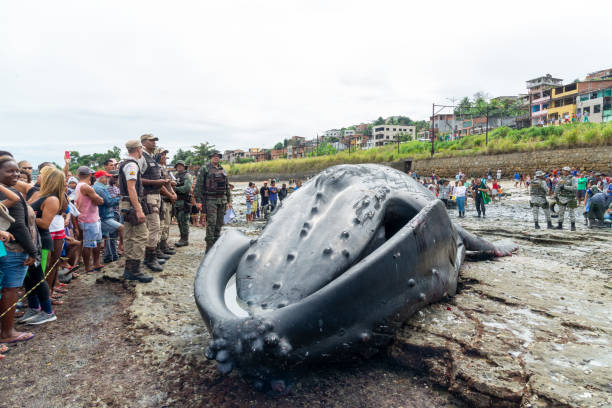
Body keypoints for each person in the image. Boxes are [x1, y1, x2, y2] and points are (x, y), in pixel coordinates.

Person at [0, 154, 36, 343]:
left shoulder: (8, 190)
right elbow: (19, 227)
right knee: (10, 290)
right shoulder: (5, 193)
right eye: (10, 171)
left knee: (8, 290)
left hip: (11, 248)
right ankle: (7, 332)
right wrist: (33, 251)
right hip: (13, 250)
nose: (16, 174)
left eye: (17, 170)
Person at [118, 140, 152, 282]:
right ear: (139, 150)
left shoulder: (125, 163)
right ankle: (135, 269)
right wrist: (139, 210)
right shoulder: (132, 165)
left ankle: (129, 268)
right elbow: (132, 188)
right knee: (141, 235)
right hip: (132, 203)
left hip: (126, 203)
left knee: (130, 235)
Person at [139, 134, 168, 272]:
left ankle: (152, 255)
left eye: (155, 140)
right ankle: (150, 258)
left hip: (156, 194)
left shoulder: (151, 157)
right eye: (151, 140)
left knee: (156, 227)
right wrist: (157, 182)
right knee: (154, 226)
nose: (154, 143)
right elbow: (137, 179)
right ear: (143, 142)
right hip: (148, 195)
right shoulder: (142, 157)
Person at [194, 150, 231, 253]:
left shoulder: (222, 169)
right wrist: (198, 200)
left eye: (218, 156)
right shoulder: (205, 169)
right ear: (211, 157)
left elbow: (227, 186)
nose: (216, 158)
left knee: (219, 223)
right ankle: (209, 247)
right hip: (210, 200)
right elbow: (199, 185)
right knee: (211, 223)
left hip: (222, 200)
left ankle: (216, 245)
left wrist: (229, 200)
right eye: (214, 156)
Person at [75, 165, 104, 272]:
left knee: (97, 241)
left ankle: (96, 263)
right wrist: (99, 198)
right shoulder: (85, 187)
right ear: (90, 175)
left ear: (78, 175)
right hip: (88, 219)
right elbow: (100, 201)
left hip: (92, 218)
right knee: (88, 244)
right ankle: (88, 267)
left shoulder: (79, 185)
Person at [93, 170, 122, 263]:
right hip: (104, 216)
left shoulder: (101, 187)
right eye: (107, 177)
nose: (108, 179)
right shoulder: (100, 188)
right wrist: (120, 197)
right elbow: (109, 202)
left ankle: (111, 256)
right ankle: (112, 255)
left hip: (106, 215)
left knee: (111, 235)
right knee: (121, 229)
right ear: (102, 178)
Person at [156, 147, 176, 257]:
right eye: (162, 154)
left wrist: (173, 193)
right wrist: (170, 195)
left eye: (165, 155)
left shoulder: (164, 168)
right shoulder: (156, 168)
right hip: (162, 199)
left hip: (168, 199)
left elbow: (169, 183)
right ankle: (158, 248)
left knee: (167, 224)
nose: (164, 157)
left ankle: (163, 245)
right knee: (161, 225)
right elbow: (160, 186)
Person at [173, 161, 193, 247]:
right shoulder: (175, 176)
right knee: (179, 221)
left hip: (184, 201)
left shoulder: (187, 175)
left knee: (184, 221)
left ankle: (185, 239)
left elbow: (187, 188)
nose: (179, 167)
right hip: (176, 201)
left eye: (181, 165)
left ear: (184, 167)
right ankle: (182, 238)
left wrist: (175, 189)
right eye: (178, 166)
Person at [554, 166, 577, 231]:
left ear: (568, 172)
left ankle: (573, 226)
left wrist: (565, 187)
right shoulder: (561, 178)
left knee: (571, 212)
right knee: (561, 212)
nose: (563, 172)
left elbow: (575, 188)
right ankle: (560, 225)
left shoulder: (573, 178)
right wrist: (555, 194)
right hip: (562, 197)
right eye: (563, 170)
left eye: (565, 171)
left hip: (570, 197)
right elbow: (557, 187)